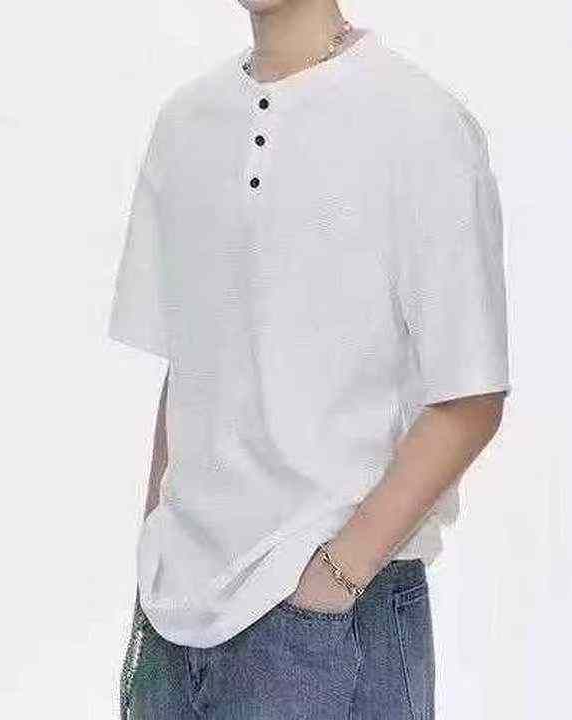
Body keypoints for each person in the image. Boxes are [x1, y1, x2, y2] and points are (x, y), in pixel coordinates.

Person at [108, 1, 511, 717]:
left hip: (325, 622)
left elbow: (469, 395)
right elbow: (194, 364)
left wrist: (335, 577)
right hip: (173, 619)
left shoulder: (419, 124)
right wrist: (153, 554)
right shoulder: (185, 124)